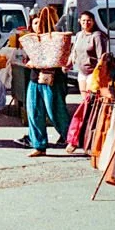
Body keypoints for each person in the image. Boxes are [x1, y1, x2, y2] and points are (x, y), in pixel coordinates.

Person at [21, 11, 70, 157]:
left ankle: (72, 138)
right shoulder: (32, 42)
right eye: (35, 23)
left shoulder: (54, 39)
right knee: (34, 112)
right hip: (35, 79)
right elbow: (28, 60)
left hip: (53, 80)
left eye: (41, 22)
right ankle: (39, 145)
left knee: (56, 112)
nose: (38, 26)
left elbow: (60, 59)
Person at [66, 11, 107, 95]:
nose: (86, 23)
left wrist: (99, 73)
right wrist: (67, 65)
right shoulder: (79, 35)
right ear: (79, 21)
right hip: (81, 72)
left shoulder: (97, 35)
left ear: (93, 21)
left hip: (93, 72)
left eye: (89, 20)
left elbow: (101, 57)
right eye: (83, 20)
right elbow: (74, 52)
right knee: (84, 99)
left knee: (90, 99)